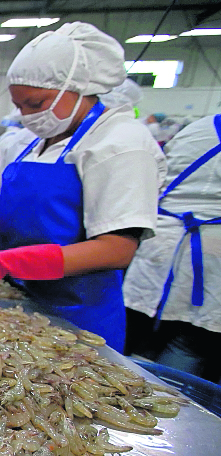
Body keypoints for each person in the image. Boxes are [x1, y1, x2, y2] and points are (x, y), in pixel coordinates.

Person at [0, 22, 166, 352]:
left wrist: (6, 261)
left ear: (77, 89)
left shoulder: (119, 144)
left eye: (35, 104)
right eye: (19, 107)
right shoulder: (26, 142)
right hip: (18, 298)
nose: (26, 116)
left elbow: (117, 247)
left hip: (77, 312)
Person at [124, 114, 221, 381]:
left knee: (135, 331)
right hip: (210, 251)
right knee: (190, 342)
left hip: (162, 240)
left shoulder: (198, 128)